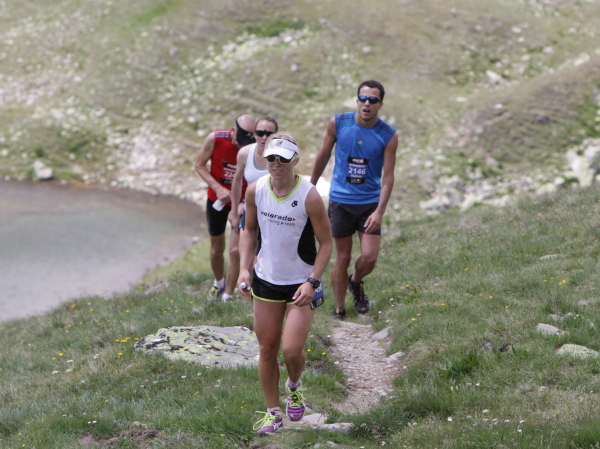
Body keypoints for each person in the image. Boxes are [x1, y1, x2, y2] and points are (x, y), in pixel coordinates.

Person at [237, 132, 333, 435]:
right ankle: (273, 414)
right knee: (267, 349)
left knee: (291, 351)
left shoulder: (309, 196)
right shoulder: (256, 190)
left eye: (283, 159)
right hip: (266, 280)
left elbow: (326, 244)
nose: (276, 164)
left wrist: (312, 281)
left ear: (296, 160)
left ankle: (294, 386)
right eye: (271, 158)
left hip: (300, 284)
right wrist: (243, 269)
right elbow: (249, 230)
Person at [310, 80, 398, 320]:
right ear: (357, 101)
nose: (367, 104)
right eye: (363, 99)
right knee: (343, 257)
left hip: (369, 203)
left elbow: (388, 177)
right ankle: (339, 309)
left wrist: (379, 211)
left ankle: (356, 281)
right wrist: (311, 186)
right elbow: (324, 154)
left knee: (369, 257)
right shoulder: (338, 123)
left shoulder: (388, 135)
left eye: (373, 100)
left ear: (380, 105)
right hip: (341, 201)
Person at [194, 114, 256, 302]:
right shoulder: (216, 138)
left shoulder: (253, 146)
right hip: (217, 200)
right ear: (233, 129)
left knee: (235, 250)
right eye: (238, 140)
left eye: (244, 142)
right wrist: (218, 188)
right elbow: (199, 165)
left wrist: (244, 202)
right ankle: (218, 283)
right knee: (216, 249)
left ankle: (229, 293)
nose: (240, 145)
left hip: (242, 202)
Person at [228, 116, 279, 232]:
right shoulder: (245, 153)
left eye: (269, 134)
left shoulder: (282, 157)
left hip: (273, 215)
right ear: (254, 134)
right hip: (250, 211)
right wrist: (234, 212)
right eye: (260, 133)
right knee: (237, 244)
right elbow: (237, 181)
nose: (264, 137)